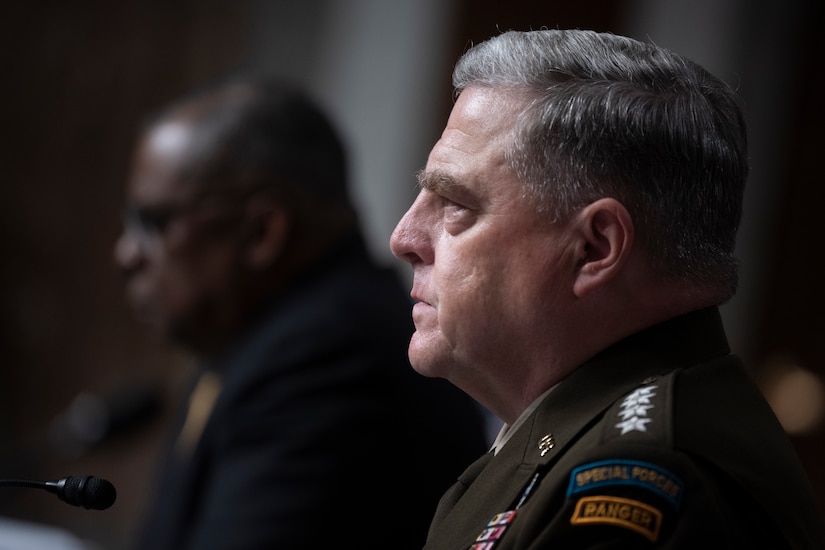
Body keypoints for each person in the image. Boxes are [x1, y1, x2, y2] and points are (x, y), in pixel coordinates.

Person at [389, 29, 825, 549]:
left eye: (455, 204)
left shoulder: (638, 484)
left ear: (595, 249)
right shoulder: (584, 432)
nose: (404, 238)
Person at [113, 77, 488, 549]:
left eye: (152, 222)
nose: (126, 253)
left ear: (262, 231)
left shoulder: (323, 356)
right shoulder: (262, 336)